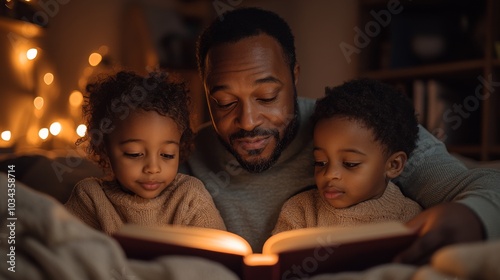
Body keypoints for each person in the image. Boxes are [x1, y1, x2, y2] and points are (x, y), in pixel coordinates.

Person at [186, 7, 500, 262]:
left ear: (295, 75)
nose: (248, 121)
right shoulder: (178, 152)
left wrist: (473, 215)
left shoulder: (356, 123)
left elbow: (485, 183)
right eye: (224, 102)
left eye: (267, 96)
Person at [65, 70, 226, 235]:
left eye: (167, 154)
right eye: (134, 154)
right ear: (103, 149)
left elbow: (219, 254)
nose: (153, 168)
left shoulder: (190, 197)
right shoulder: (90, 197)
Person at [272, 78, 422, 234]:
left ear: (394, 165)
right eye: (320, 162)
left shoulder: (410, 217)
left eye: (350, 163)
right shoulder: (300, 212)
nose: (329, 174)